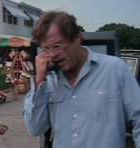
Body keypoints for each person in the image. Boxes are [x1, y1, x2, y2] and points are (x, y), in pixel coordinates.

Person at [22, 10, 140, 148]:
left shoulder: (114, 69)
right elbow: (35, 129)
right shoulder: (49, 82)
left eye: (56, 46)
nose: (52, 55)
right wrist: (39, 81)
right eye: (46, 49)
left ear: (77, 37)